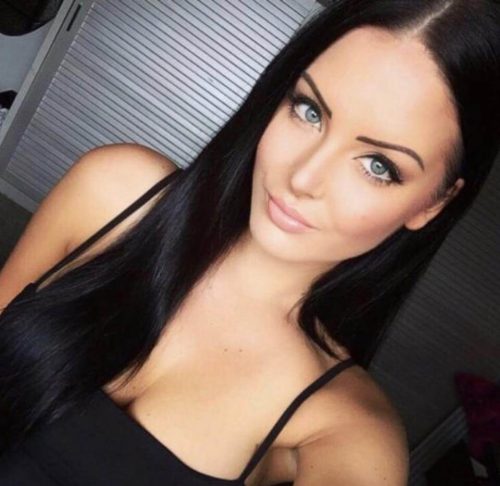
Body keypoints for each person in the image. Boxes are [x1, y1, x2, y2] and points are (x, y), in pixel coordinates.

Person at [0, 0, 499, 484]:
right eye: (309, 111)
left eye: (377, 166)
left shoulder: (343, 431)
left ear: (433, 203)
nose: (303, 176)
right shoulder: (114, 193)